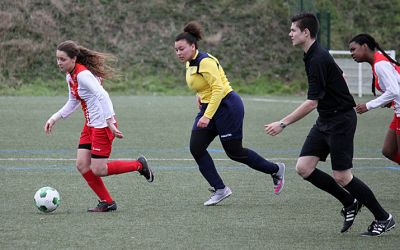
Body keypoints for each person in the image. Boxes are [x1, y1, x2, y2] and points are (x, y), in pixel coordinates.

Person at [265, 13, 395, 236]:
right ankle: (349, 201)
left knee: (342, 177)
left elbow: (311, 103)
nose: (290, 34)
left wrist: (283, 123)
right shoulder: (313, 55)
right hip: (326, 119)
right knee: (304, 168)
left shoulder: (317, 58)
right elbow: (338, 73)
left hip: (340, 120)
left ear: (306, 33)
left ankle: (384, 217)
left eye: (293, 30)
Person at [174, 21, 285, 206]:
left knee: (235, 152)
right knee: (197, 148)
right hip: (210, 106)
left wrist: (207, 116)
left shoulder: (205, 62)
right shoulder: (190, 63)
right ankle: (220, 189)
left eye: (181, 49)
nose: (178, 53)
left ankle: (276, 169)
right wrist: (199, 96)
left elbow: (218, 89)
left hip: (227, 107)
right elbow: (203, 85)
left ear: (193, 46)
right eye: (176, 50)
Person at [44, 40, 154, 212]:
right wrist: (54, 117)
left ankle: (139, 165)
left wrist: (110, 121)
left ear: (74, 59)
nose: (59, 62)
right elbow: (73, 101)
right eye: (57, 59)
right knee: (81, 164)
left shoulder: (82, 75)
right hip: (90, 125)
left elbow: (103, 95)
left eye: (63, 59)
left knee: (98, 169)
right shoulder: (70, 76)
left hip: (102, 125)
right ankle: (107, 201)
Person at [350, 34, 400, 165]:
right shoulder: (378, 61)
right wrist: (387, 101)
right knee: (388, 151)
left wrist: (369, 105)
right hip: (398, 111)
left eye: (353, 49)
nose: (351, 53)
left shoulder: (380, 64)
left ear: (365, 47)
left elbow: (394, 91)